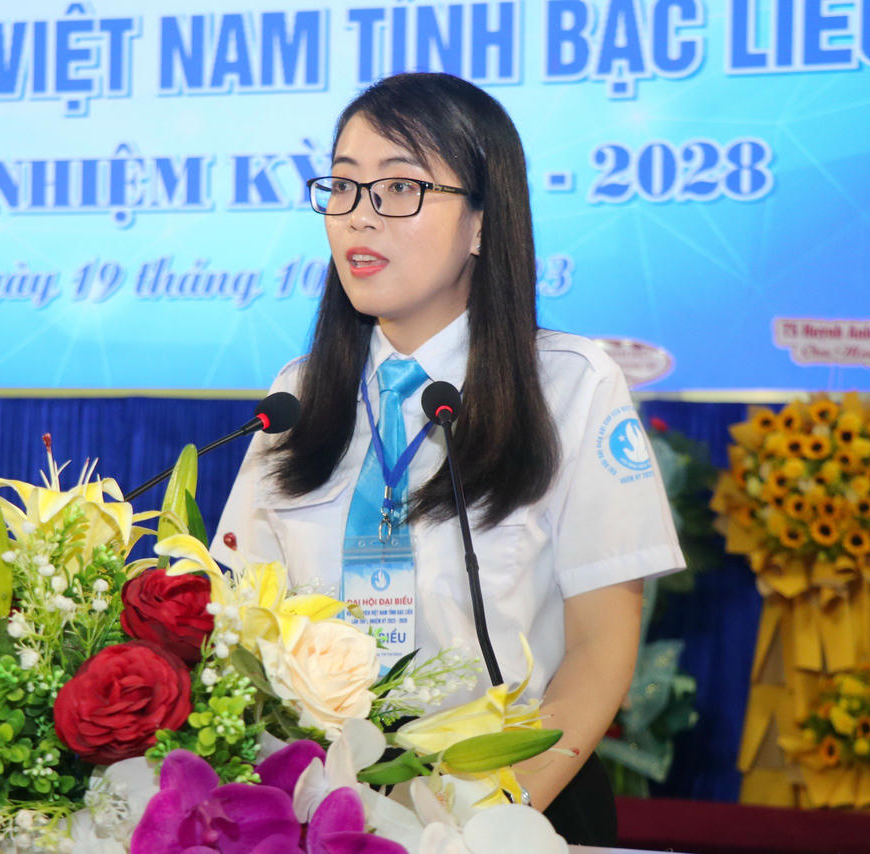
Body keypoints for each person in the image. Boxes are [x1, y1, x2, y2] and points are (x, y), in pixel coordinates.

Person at [213, 72, 684, 846]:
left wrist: (491, 816)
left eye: (400, 187)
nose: (359, 216)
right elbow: (240, 626)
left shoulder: (570, 386)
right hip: (325, 815)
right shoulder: (298, 396)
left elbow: (600, 647)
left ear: (481, 224)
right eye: (343, 186)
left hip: (516, 809)